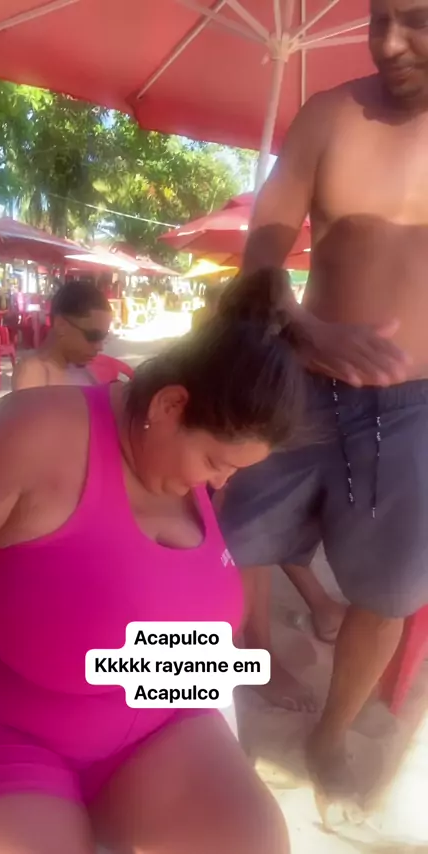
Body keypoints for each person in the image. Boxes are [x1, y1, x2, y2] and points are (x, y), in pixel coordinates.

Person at [0, 269, 297, 854]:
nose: (221, 482)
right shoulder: (36, 434)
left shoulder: (185, 473)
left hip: (163, 723)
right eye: (217, 461)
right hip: (7, 732)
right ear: (170, 405)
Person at [218, 0, 428, 802]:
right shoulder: (327, 115)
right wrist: (301, 325)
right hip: (297, 382)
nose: (388, 43)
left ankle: (331, 733)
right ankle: (253, 659)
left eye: (416, 19)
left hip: (415, 410)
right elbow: (263, 248)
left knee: (387, 595)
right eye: (378, 17)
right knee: (226, 540)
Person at [12, 280, 112, 390]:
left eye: (103, 337)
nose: (100, 347)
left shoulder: (80, 367)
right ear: (61, 326)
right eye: (93, 336)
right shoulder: (34, 371)